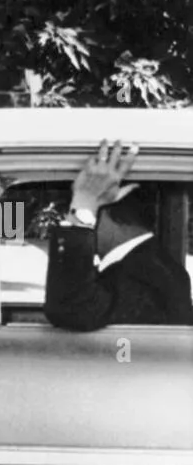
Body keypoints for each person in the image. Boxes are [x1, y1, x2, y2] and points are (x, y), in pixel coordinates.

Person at [45, 140, 193, 330]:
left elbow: (70, 310)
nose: (68, 217)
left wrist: (85, 202)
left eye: (70, 212)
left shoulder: (141, 274)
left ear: (106, 215)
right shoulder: (150, 264)